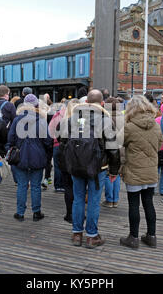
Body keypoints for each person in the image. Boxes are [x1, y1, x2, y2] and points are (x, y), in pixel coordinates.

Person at [60, 90, 121, 249]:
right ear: (102, 103)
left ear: (86, 101)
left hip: (76, 166)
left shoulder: (72, 118)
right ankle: (91, 236)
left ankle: (77, 234)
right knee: (94, 201)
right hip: (97, 167)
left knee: (78, 198)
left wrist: (68, 163)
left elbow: (63, 142)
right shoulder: (105, 120)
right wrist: (114, 171)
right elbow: (113, 148)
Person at [119, 95, 163, 249]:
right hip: (151, 171)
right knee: (148, 203)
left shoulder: (129, 127)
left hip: (134, 170)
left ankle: (134, 237)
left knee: (133, 204)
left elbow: (119, 145)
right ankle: (151, 236)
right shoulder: (156, 125)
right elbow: (159, 145)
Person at [7, 94, 53, 222]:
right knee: (36, 186)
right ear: (37, 106)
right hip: (37, 157)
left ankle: (20, 212)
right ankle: (36, 212)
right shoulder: (42, 120)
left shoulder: (17, 120)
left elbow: (10, 139)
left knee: (22, 185)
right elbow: (48, 142)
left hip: (20, 157)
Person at [53, 99, 80, 223]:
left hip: (64, 155)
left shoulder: (63, 122)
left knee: (68, 186)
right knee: (78, 187)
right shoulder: (83, 122)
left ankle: (69, 214)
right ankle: (79, 214)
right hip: (79, 158)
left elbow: (57, 137)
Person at [101, 97, 121, 208]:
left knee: (108, 174)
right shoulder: (123, 117)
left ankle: (109, 200)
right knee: (116, 174)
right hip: (120, 148)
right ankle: (115, 199)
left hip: (109, 147)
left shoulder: (106, 118)